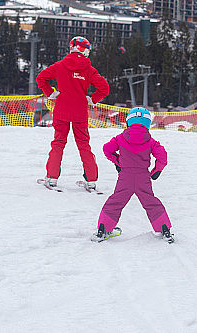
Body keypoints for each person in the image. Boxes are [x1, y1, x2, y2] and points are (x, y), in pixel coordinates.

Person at [36, 36, 109, 191]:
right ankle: (91, 181)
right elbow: (104, 88)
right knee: (83, 144)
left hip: (61, 109)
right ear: (83, 50)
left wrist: (50, 93)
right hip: (80, 111)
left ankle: (51, 178)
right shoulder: (89, 70)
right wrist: (92, 99)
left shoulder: (60, 65)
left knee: (58, 142)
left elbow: (41, 78)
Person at [92, 107, 174, 243]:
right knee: (151, 202)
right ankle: (164, 229)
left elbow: (107, 149)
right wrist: (156, 170)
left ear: (129, 122)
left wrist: (117, 161)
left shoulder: (120, 138)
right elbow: (162, 156)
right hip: (143, 178)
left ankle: (103, 229)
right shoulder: (150, 141)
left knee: (116, 201)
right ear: (147, 124)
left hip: (125, 177)